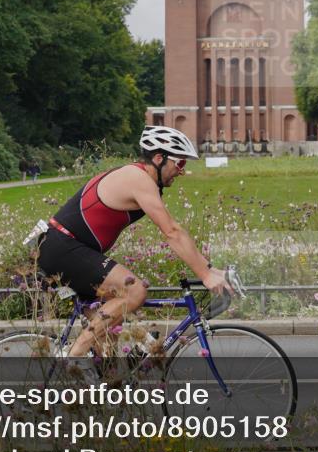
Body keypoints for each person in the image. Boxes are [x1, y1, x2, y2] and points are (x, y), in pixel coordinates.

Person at [36, 126, 232, 358]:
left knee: (110, 337)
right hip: (62, 247)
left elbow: (175, 232)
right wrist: (205, 275)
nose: (181, 171)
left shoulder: (140, 177)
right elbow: (172, 231)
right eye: (179, 163)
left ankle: (97, 379)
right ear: (159, 158)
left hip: (65, 247)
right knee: (135, 291)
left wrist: (209, 268)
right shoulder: (137, 178)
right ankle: (74, 356)